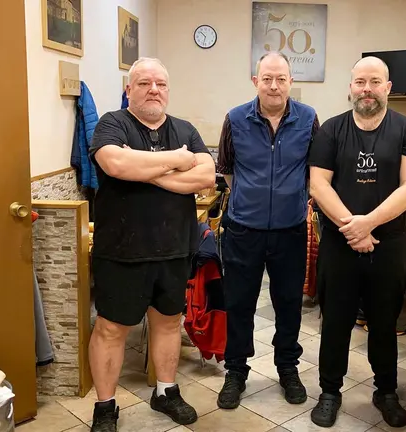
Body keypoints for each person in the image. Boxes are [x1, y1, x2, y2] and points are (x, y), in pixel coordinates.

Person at [88, 57, 215, 432]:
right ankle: (105, 407)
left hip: (175, 249)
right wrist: (176, 161)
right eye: (143, 83)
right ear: (129, 90)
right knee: (111, 329)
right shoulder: (112, 123)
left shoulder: (185, 128)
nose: (153, 90)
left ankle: (165, 391)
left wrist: (144, 171)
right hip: (122, 251)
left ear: (168, 90)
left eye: (160, 84)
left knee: (169, 323)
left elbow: (206, 176)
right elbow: (115, 165)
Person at [308, 56, 406, 428]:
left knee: (384, 321)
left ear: (388, 87)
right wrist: (352, 229)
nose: (367, 90)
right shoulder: (331, 130)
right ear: (350, 87)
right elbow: (318, 184)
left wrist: (369, 224)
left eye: (375, 82)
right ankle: (330, 392)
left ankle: (386, 391)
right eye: (360, 82)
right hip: (339, 244)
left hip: (389, 244)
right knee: (336, 322)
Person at [215, 52, 319, 409]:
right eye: (267, 78)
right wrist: (252, 197)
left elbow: (314, 171)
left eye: (281, 79)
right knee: (239, 302)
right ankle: (236, 370)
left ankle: (287, 367)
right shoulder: (235, 119)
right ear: (255, 81)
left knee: (289, 303)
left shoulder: (308, 119)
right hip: (243, 229)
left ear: (291, 81)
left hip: (290, 230)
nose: (274, 85)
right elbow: (227, 170)